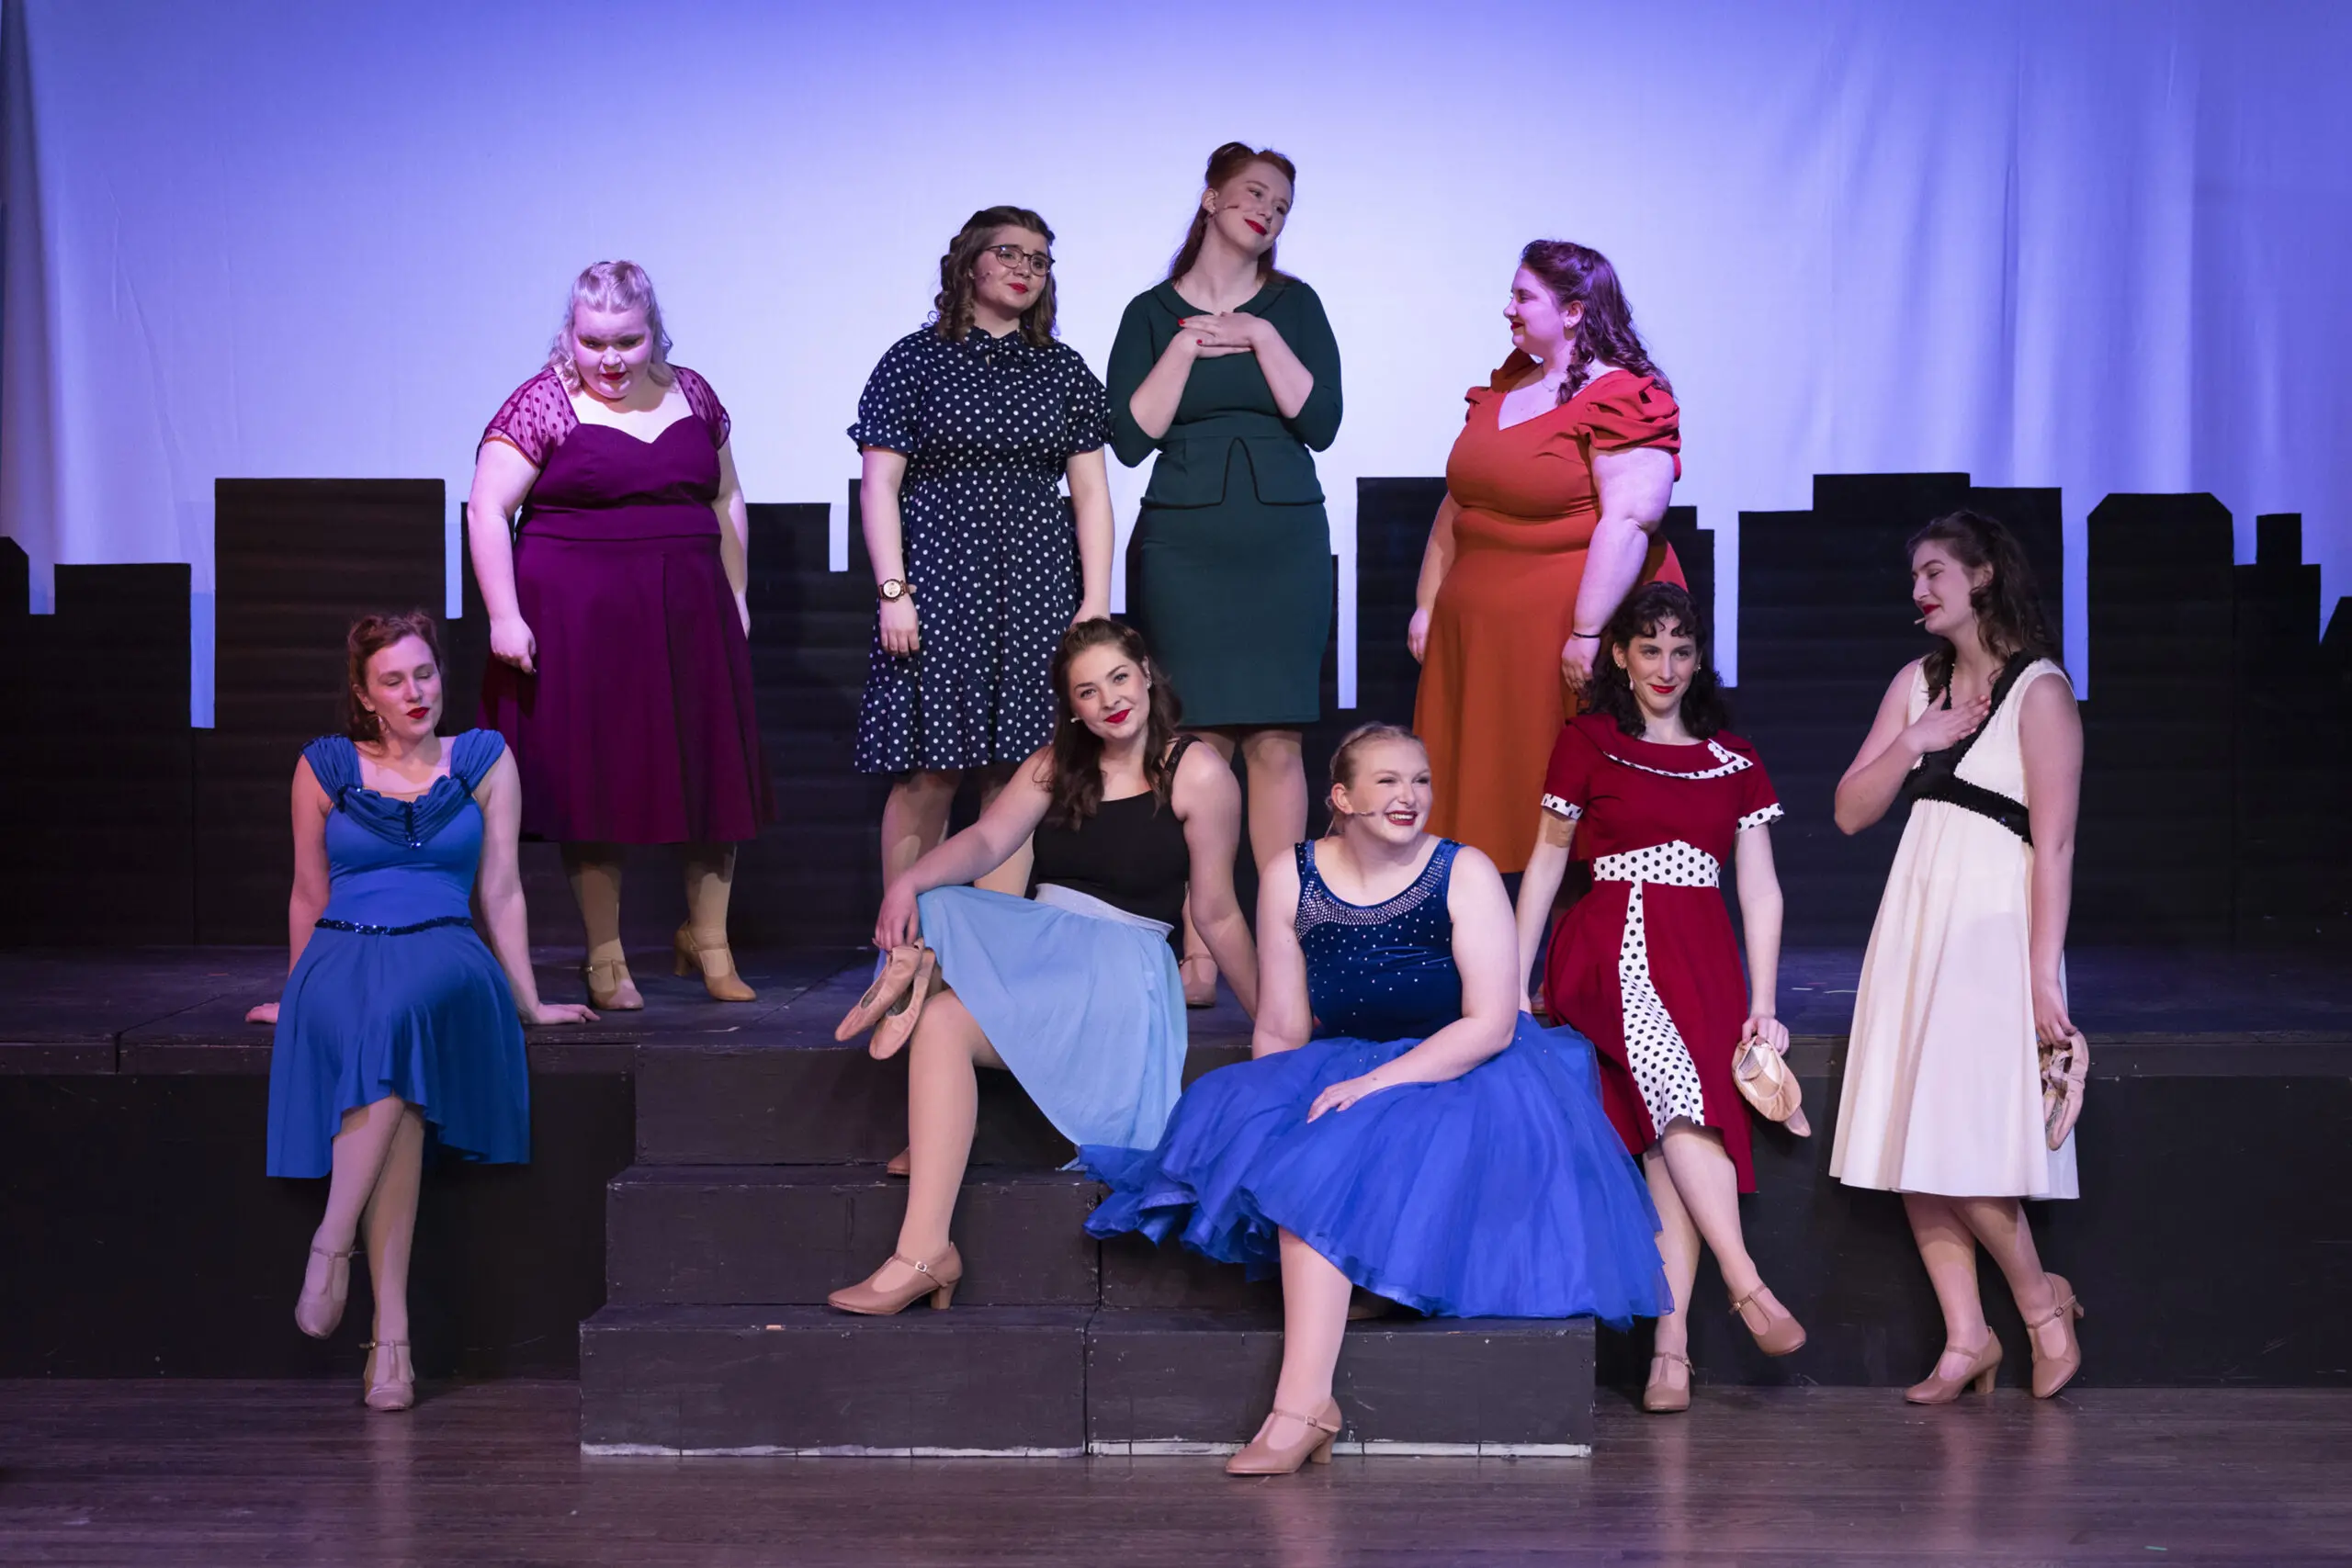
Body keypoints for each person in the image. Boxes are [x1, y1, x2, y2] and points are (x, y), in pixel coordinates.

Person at [1084, 726, 1664, 1475]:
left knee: (1330, 1167)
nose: (1408, 796)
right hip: (1345, 1055)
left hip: (1462, 1068)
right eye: (1387, 781)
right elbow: (1283, 1024)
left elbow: (1490, 1023)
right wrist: (1278, 1112)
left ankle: (1302, 1406)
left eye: (1419, 780)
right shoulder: (1293, 876)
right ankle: (1338, 1333)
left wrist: (1375, 1084)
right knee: (1278, 1136)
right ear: (1343, 798)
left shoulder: (1464, 871)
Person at [827, 620, 1256, 1315]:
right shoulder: (1057, 761)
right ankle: (926, 1243)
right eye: (1088, 691)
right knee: (937, 903)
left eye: (1119, 677)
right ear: (1072, 707)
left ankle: (923, 1232)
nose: (1110, 699)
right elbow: (987, 838)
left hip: (1120, 967)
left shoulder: (1195, 769)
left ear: (1147, 672)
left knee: (941, 1013)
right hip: (1045, 945)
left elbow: (1218, 912)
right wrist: (903, 886)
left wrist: (1275, 1020)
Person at [248, 612, 596, 1411]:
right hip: (342, 944)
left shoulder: (482, 758)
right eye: (394, 681)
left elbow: (501, 889)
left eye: (425, 674)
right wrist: (298, 993)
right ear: (365, 697)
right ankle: (393, 1341)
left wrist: (531, 1000)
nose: (415, 692)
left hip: (443, 943)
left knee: (398, 1019)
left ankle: (330, 1242)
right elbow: (307, 891)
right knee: (393, 1073)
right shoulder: (324, 766)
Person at [1513, 582, 1802, 1414]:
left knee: (1673, 1137)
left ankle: (1669, 1351)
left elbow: (1763, 890)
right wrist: (1509, 976)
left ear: (1699, 657)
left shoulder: (1735, 759)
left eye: (1681, 649)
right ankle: (1747, 1285)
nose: (1666, 666)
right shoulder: (1589, 741)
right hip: (1613, 937)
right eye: (1649, 649)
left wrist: (1766, 1000)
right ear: (1619, 656)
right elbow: (1544, 861)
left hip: (1701, 954)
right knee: (1677, 1095)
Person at [1829, 509, 2086, 1403]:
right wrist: (1915, 741)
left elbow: (2052, 845)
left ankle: (2041, 1308)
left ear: (1980, 577)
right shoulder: (1917, 685)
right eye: (1914, 577)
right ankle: (1966, 1336)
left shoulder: (2040, 692)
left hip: (1990, 929)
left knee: (1968, 1145)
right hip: (1917, 917)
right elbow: (1849, 811)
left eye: (1934, 571)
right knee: (1916, 1138)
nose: (1919, 590)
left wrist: (2041, 972)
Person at [468, 260, 772, 1010]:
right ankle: (605, 957)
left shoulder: (692, 393)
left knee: (709, 777)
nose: (609, 359)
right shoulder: (542, 403)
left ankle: (709, 942)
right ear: (569, 333)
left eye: (627, 341)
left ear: (652, 333)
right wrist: (505, 616)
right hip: (580, 618)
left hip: (688, 610)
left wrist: (736, 594)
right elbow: (485, 510)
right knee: (594, 784)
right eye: (592, 340)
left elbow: (726, 495)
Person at [853, 206, 1114, 903]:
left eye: (1039, 259)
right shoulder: (914, 360)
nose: (1026, 269)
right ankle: (906, 942)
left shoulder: (1061, 370)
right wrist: (893, 590)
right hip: (939, 580)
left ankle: (991, 952)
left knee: (1019, 770)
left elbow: (1091, 495)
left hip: (1035, 582)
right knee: (928, 772)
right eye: (1010, 253)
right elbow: (879, 485)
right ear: (970, 262)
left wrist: (1093, 601)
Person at [1107, 142, 1342, 900]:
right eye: (1254, 193)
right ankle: (1201, 944)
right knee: (1190, 741)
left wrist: (1260, 335)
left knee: (1277, 740)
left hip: (1284, 547)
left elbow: (1322, 421)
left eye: (1282, 205)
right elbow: (1132, 436)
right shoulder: (1148, 313)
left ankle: (1283, 931)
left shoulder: (1296, 306)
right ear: (1210, 198)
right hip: (1184, 548)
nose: (1267, 211)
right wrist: (1184, 344)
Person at [1409, 241, 1684, 875]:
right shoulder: (1507, 386)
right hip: (1478, 636)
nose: (1508, 308)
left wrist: (1587, 632)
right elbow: (1458, 502)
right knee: (1482, 801)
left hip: (1559, 630)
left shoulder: (1623, 395)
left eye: (1523, 296)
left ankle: (1575, 963)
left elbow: (1630, 517)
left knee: (1566, 810)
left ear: (1573, 311)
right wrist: (1429, 602)